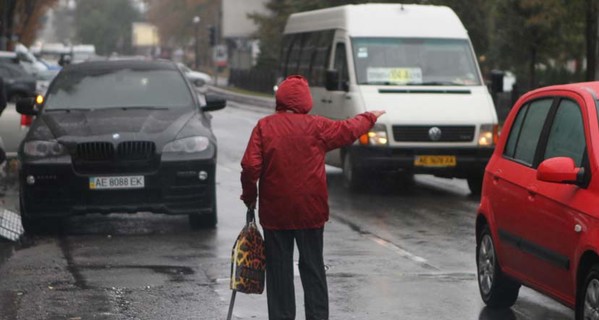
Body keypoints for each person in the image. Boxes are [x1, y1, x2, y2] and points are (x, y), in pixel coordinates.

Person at [240, 75, 385, 320]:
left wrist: (249, 196)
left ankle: (282, 316)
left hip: (276, 213)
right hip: (311, 211)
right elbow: (348, 129)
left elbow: (250, 165)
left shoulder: (264, 127)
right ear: (306, 100)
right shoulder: (317, 126)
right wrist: (369, 117)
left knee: (279, 270)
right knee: (313, 267)